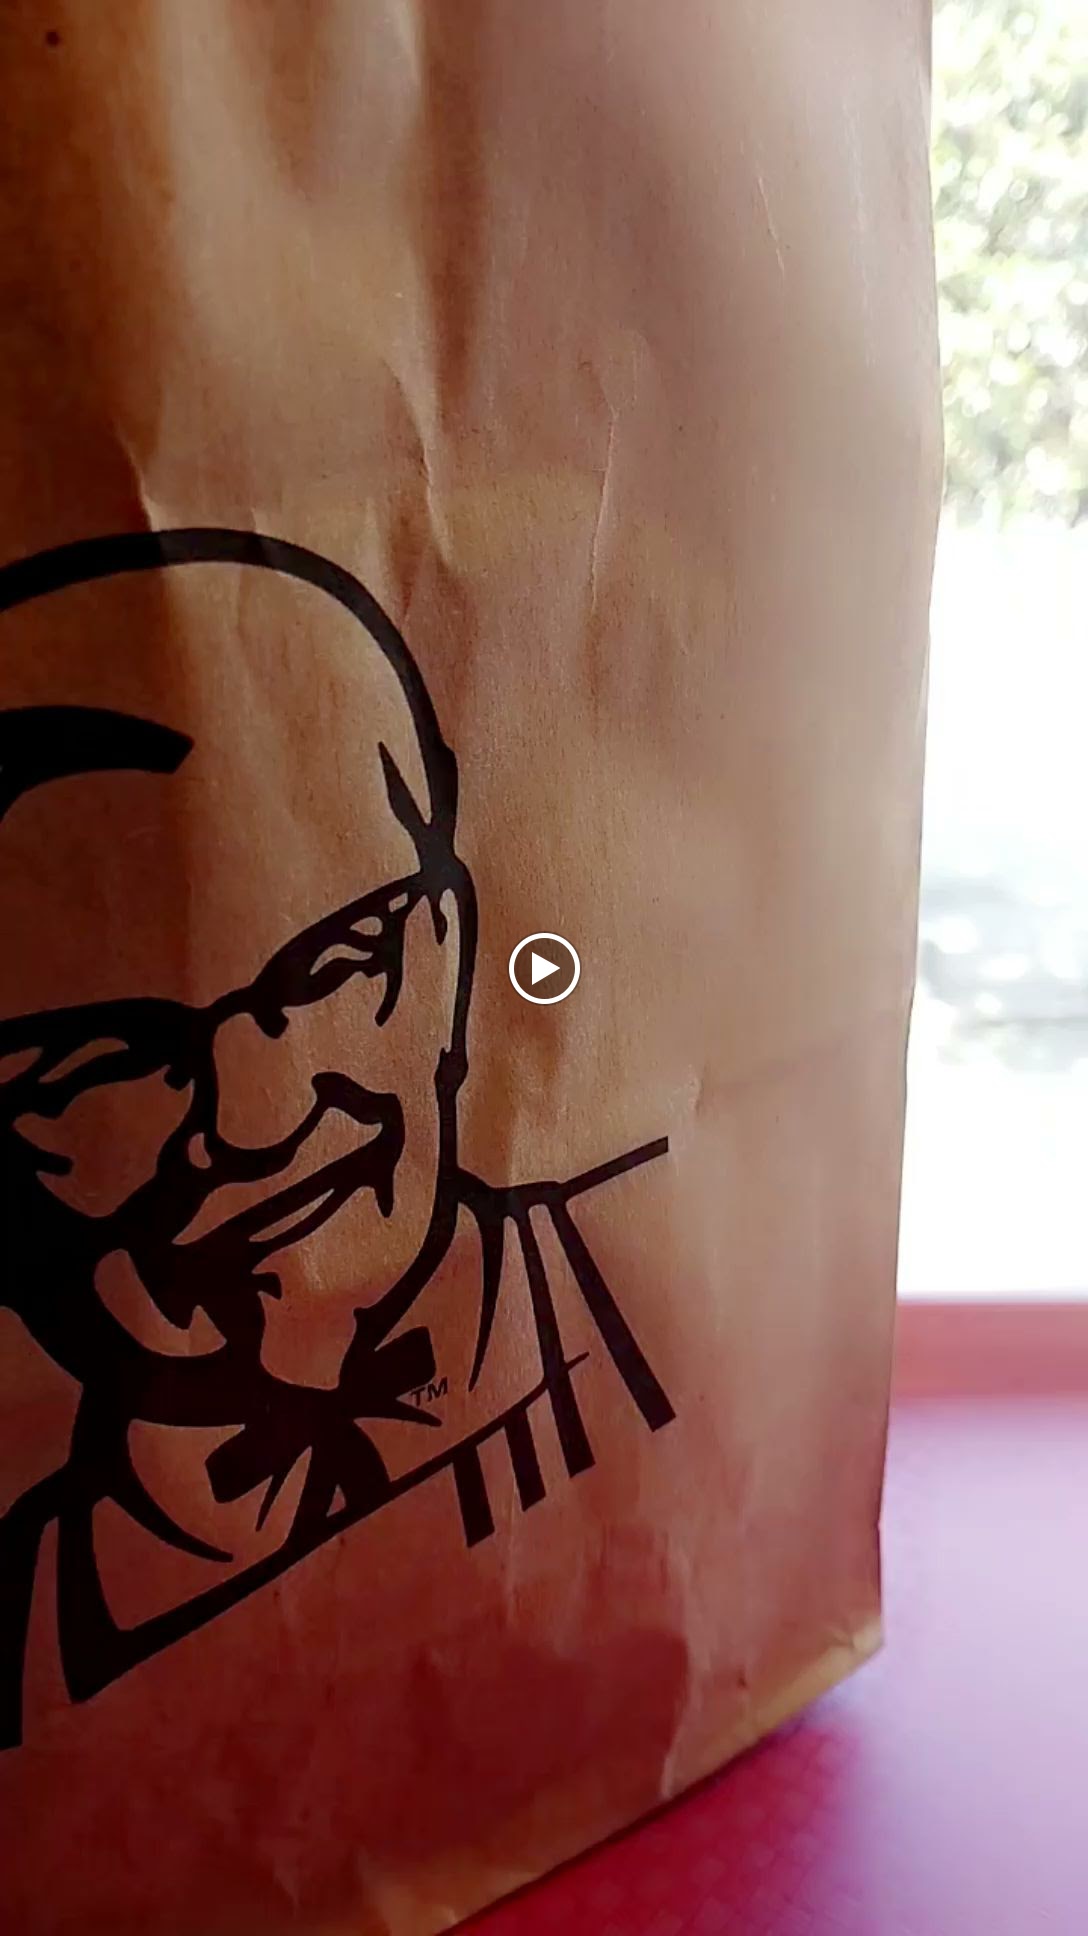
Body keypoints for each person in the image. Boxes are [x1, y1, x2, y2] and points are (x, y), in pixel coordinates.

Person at [0, 529, 673, 1751]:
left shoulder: (664, 1322)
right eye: (108, 1061)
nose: (255, 1122)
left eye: (336, 963)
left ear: (450, 950)